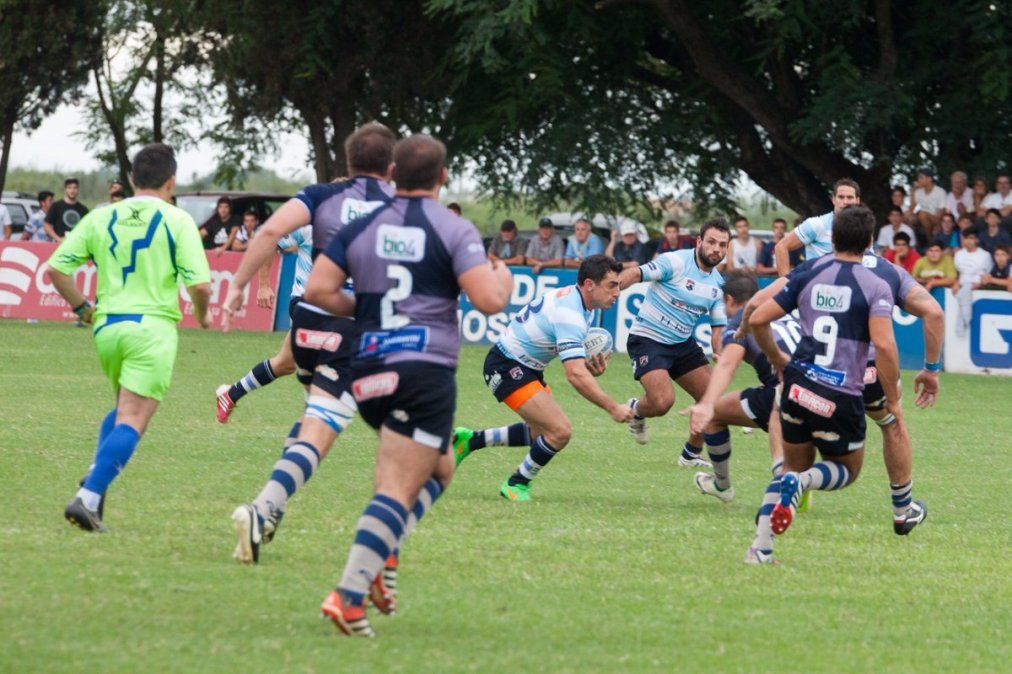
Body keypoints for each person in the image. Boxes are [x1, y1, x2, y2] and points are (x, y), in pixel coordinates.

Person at [304, 133, 513, 637]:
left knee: (440, 468)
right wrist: (502, 278)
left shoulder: (362, 223)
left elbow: (317, 289)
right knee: (402, 486)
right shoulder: (453, 228)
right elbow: (488, 301)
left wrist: (370, 308)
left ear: (393, 174)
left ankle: (381, 559)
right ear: (443, 178)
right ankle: (349, 594)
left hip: (369, 370)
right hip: (423, 372)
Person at [223, 123, 398, 564]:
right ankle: (261, 508)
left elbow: (266, 234)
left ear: (349, 162)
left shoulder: (322, 195)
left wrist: (238, 286)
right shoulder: (399, 206)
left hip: (304, 323)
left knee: (310, 416)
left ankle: (272, 508)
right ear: (391, 167)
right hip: (350, 327)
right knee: (319, 433)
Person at [46, 143, 212, 532]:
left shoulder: (102, 217)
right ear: (171, 180)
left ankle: (94, 483)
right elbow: (201, 287)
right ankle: (87, 499)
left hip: (107, 328)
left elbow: (56, 270)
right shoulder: (178, 220)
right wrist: (203, 319)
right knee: (136, 419)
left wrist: (83, 309)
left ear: (133, 179)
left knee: (124, 408)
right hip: (151, 330)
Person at [746, 204, 903, 564]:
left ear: (831, 237)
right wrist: (891, 395)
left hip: (798, 386)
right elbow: (884, 345)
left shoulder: (809, 270)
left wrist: (778, 360)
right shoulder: (876, 285)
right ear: (868, 243)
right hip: (841, 392)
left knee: (790, 465)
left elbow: (757, 318)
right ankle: (801, 484)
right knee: (846, 470)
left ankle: (760, 547)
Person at [453, 255, 632, 501]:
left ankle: (470, 441)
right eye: (612, 285)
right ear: (590, 284)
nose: (617, 293)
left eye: (618, 285)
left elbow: (575, 364)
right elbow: (574, 375)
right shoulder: (571, 313)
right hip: (507, 365)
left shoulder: (580, 302)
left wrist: (588, 366)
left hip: (524, 366)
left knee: (541, 434)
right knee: (559, 431)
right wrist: (613, 407)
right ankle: (516, 484)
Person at [618, 218, 730, 469]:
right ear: (699, 241)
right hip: (648, 338)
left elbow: (718, 328)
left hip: (682, 344)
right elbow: (637, 273)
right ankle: (637, 410)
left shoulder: (718, 286)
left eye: (723, 245)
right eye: (711, 242)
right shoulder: (676, 261)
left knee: (713, 400)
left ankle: (690, 455)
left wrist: (720, 353)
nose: (717, 249)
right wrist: (613, 289)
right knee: (662, 402)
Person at [684, 271, 798, 502]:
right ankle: (799, 477)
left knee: (714, 415)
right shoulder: (784, 309)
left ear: (728, 300)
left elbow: (728, 366)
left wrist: (705, 404)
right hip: (825, 389)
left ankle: (722, 485)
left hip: (788, 394)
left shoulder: (740, 322)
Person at [215, 224, 311, 423]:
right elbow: (270, 240)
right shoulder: (312, 223)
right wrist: (264, 285)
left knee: (285, 364)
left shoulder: (367, 222)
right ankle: (314, 422)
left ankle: (231, 395)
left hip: (341, 307)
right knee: (326, 366)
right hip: (308, 305)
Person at [774, 178, 860, 275]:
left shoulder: (864, 228)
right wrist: (786, 284)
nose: (845, 202)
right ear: (833, 200)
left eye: (850, 197)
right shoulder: (817, 224)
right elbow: (781, 247)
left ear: (857, 200)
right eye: (841, 197)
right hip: (817, 287)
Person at [43, 178, 89, 242]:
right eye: (69, 188)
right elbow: (46, 226)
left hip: (77, 244)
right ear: (65, 190)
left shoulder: (83, 209)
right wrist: (58, 239)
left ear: (78, 190)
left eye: (75, 188)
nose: (72, 190)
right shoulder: (56, 206)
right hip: (59, 245)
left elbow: (87, 228)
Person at [907, 167, 947, 240]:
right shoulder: (918, 192)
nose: (918, 180)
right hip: (922, 217)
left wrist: (935, 224)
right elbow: (913, 209)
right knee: (908, 216)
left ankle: (929, 239)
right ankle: (914, 242)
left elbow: (942, 211)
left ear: (929, 179)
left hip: (936, 218)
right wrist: (913, 190)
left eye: (921, 178)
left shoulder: (940, 191)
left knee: (923, 214)